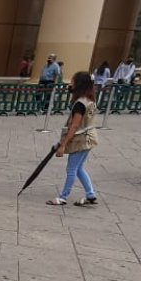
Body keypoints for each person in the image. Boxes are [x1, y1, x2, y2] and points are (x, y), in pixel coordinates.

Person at [47, 72, 99, 207]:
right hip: (90, 138)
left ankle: (63, 197)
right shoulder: (90, 100)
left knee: (71, 169)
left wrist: (63, 145)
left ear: (79, 85)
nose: (70, 85)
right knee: (79, 167)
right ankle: (90, 193)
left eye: (72, 82)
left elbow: (74, 126)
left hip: (80, 139)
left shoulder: (80, 104)